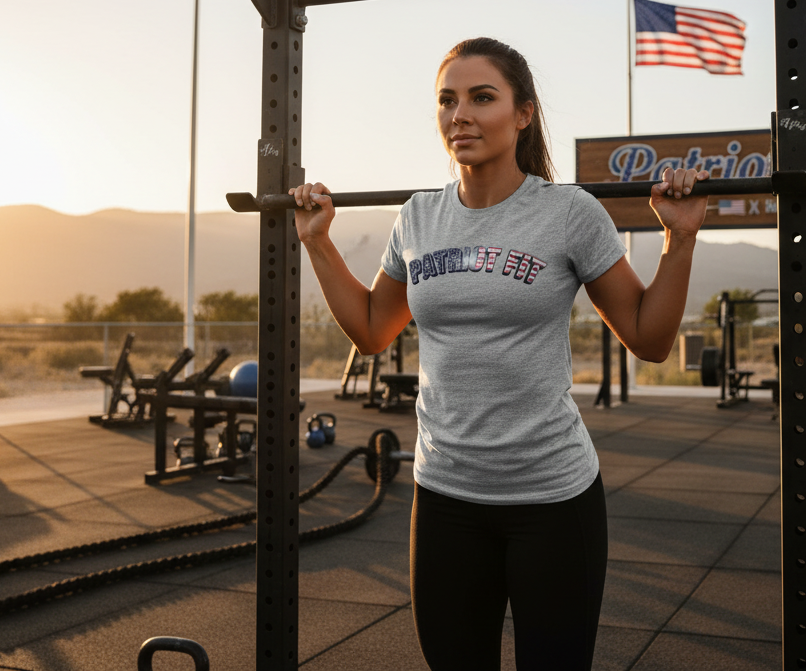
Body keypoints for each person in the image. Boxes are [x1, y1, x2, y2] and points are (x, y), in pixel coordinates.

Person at [289, 37, 710, 670]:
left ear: (523, 114)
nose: (460, 114)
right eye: (447, 99)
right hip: (445, 498)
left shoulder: (568, 213)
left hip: (552, 500)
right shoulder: (419, 218)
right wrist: (318, 243)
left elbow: (648, 339)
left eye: (482, 97)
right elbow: (373, 330)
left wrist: (679, 239)